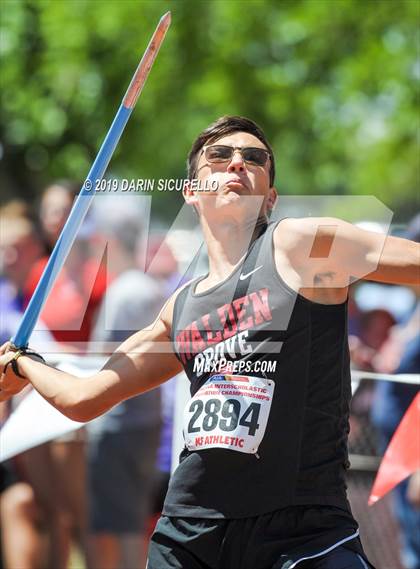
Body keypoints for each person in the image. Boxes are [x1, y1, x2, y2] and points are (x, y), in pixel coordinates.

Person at [1, 115, 419, 569]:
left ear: (270, 197)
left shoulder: (300, 245)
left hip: (303, 532)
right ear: (192, 193)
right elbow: (84, 398)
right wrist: (22, 366)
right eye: (219, 157)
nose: (237, 163)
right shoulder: (180, 308)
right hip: (192, 537)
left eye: (254, 158)